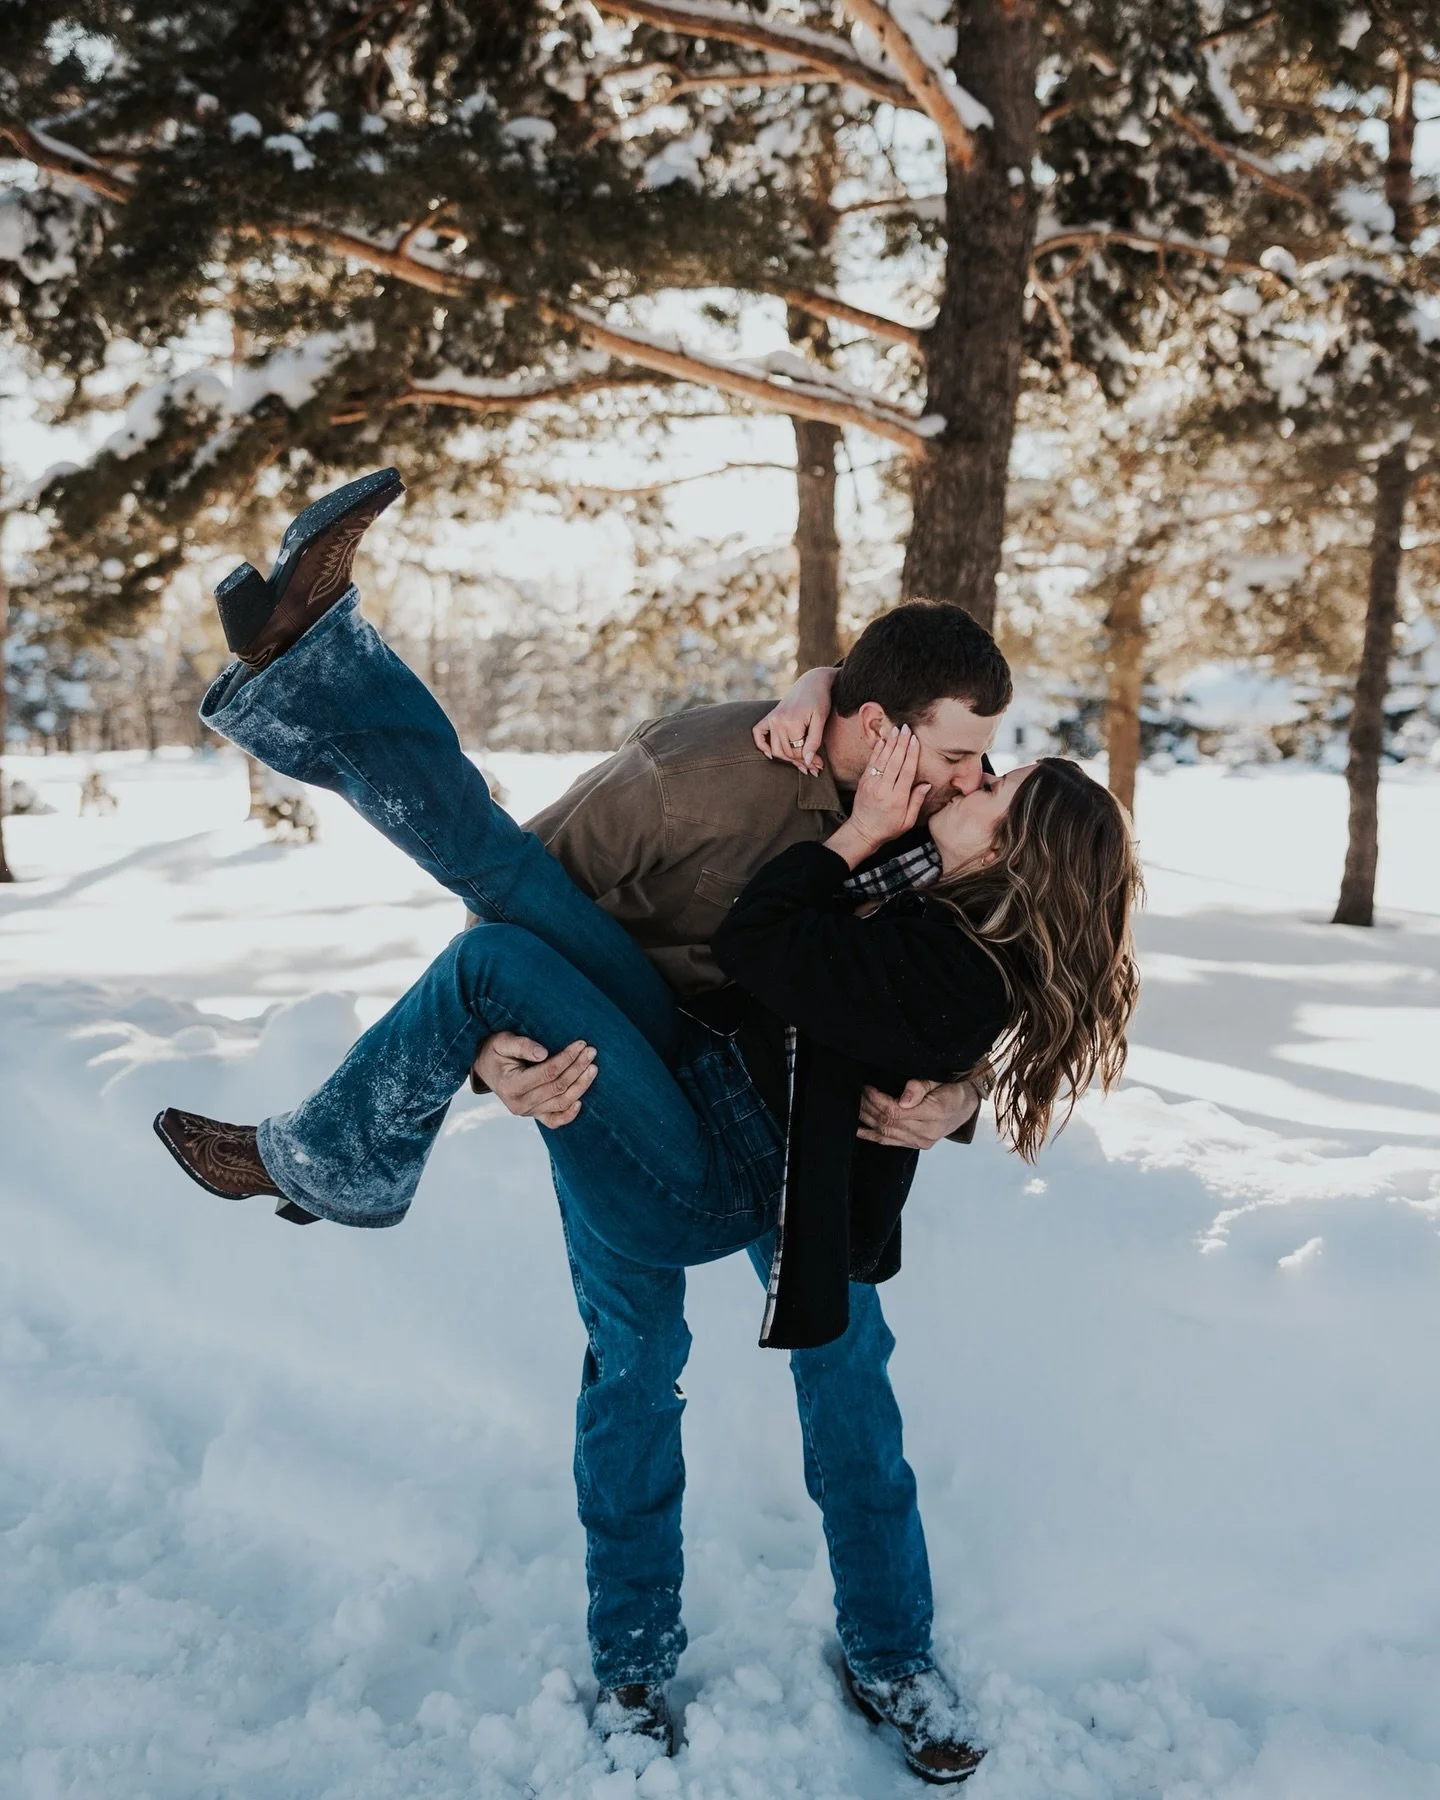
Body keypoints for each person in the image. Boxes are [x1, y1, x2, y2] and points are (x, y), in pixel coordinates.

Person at [154, 471, 1143, 1783]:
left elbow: (963, 989)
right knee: (624, 1349)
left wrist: (955, 1095)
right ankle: (314, 653)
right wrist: (501, 1066)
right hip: (619, 1072)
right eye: (966, 755)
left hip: (770, 1130)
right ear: (872, 726)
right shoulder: (699, 781)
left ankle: (890, 1651)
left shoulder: (919, 858)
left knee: (850, 1381)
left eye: (983, 772)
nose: (977, 773)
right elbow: (513, 906)